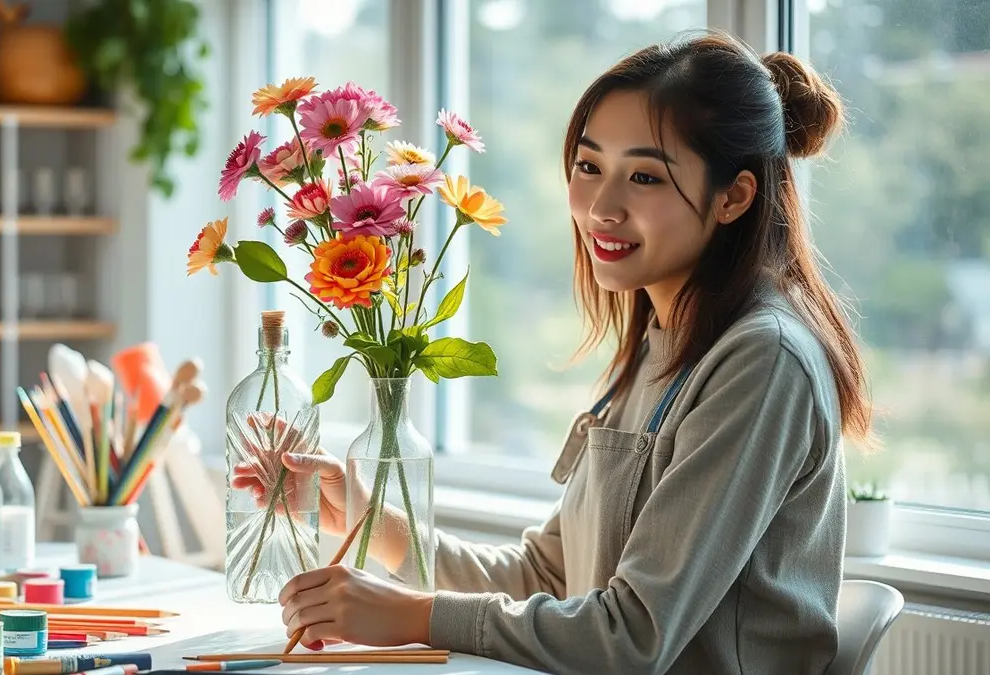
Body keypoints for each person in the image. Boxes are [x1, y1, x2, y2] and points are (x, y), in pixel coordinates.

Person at [236, 29, 875, 675]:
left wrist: (413, 615)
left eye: (645, 176)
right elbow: (544, 574)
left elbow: (633, 636)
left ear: (734, 196)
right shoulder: (661, 342)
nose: (600, 207)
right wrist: (369, 514)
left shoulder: (762, 362)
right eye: (589, 166)